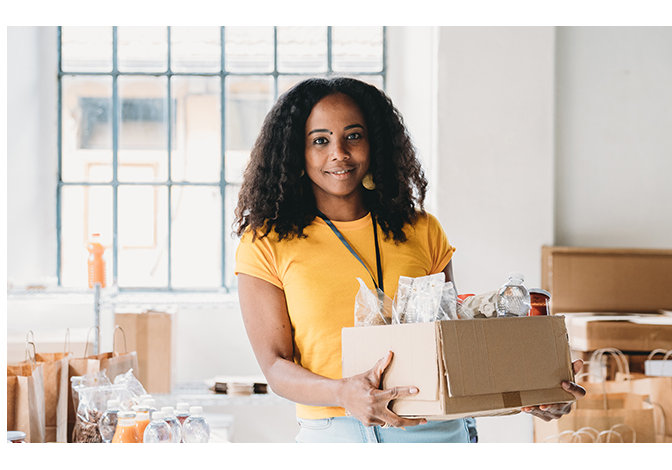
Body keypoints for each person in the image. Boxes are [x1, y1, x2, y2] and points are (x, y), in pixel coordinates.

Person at [233, 77, 585, 443]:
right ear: (295, 152)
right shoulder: (266, 242)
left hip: (433, 432)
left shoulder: (422, 230)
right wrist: (342, 392)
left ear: (375, 143)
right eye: (320, 140)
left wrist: (534, 391)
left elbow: (450, 343)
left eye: (353, 136)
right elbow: (275, 366)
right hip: (337, 436)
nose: (339, 153)